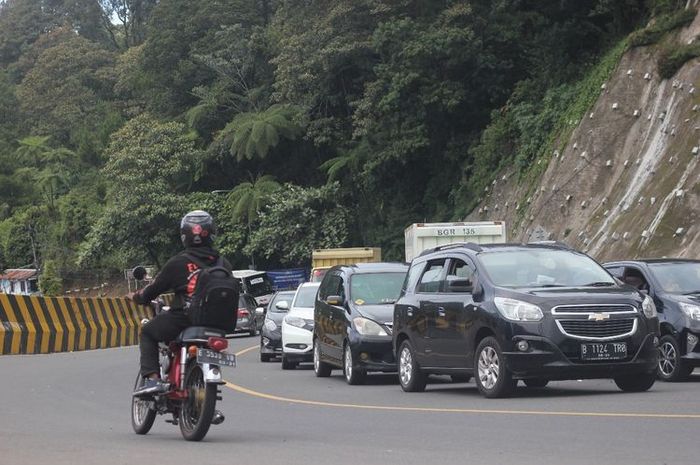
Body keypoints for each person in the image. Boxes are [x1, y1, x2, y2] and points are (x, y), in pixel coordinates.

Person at [129, 210, 232, 397]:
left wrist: (136, 297)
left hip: (185, 318)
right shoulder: (224, 264)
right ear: (212, 234)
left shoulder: (178, 263)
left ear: (185, 235)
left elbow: (150, 292)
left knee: (147, 332)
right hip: (217, 324)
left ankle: (153, 380)